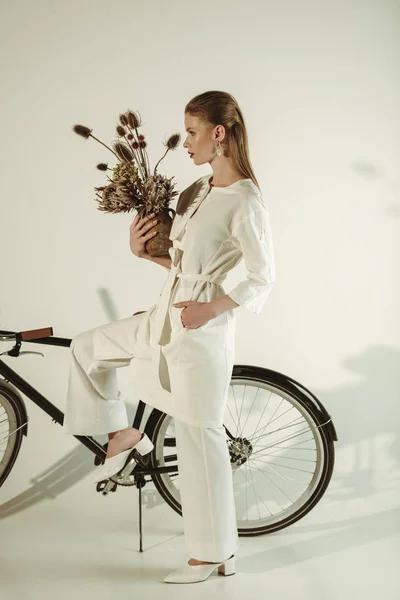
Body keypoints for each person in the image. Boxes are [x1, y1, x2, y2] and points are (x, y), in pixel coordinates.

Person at [63, 90, 276, 584]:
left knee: (200, 438)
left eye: (193, 132)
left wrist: (210, 309)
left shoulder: (245, 198)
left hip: (202, 329)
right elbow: (183, 267)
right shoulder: (198, 192)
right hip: (167, 311)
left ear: (218, 134)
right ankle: (121, 429)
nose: (186, 142)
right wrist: (145, 254)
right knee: (87, 347)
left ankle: (212, 555)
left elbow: (263, 276)